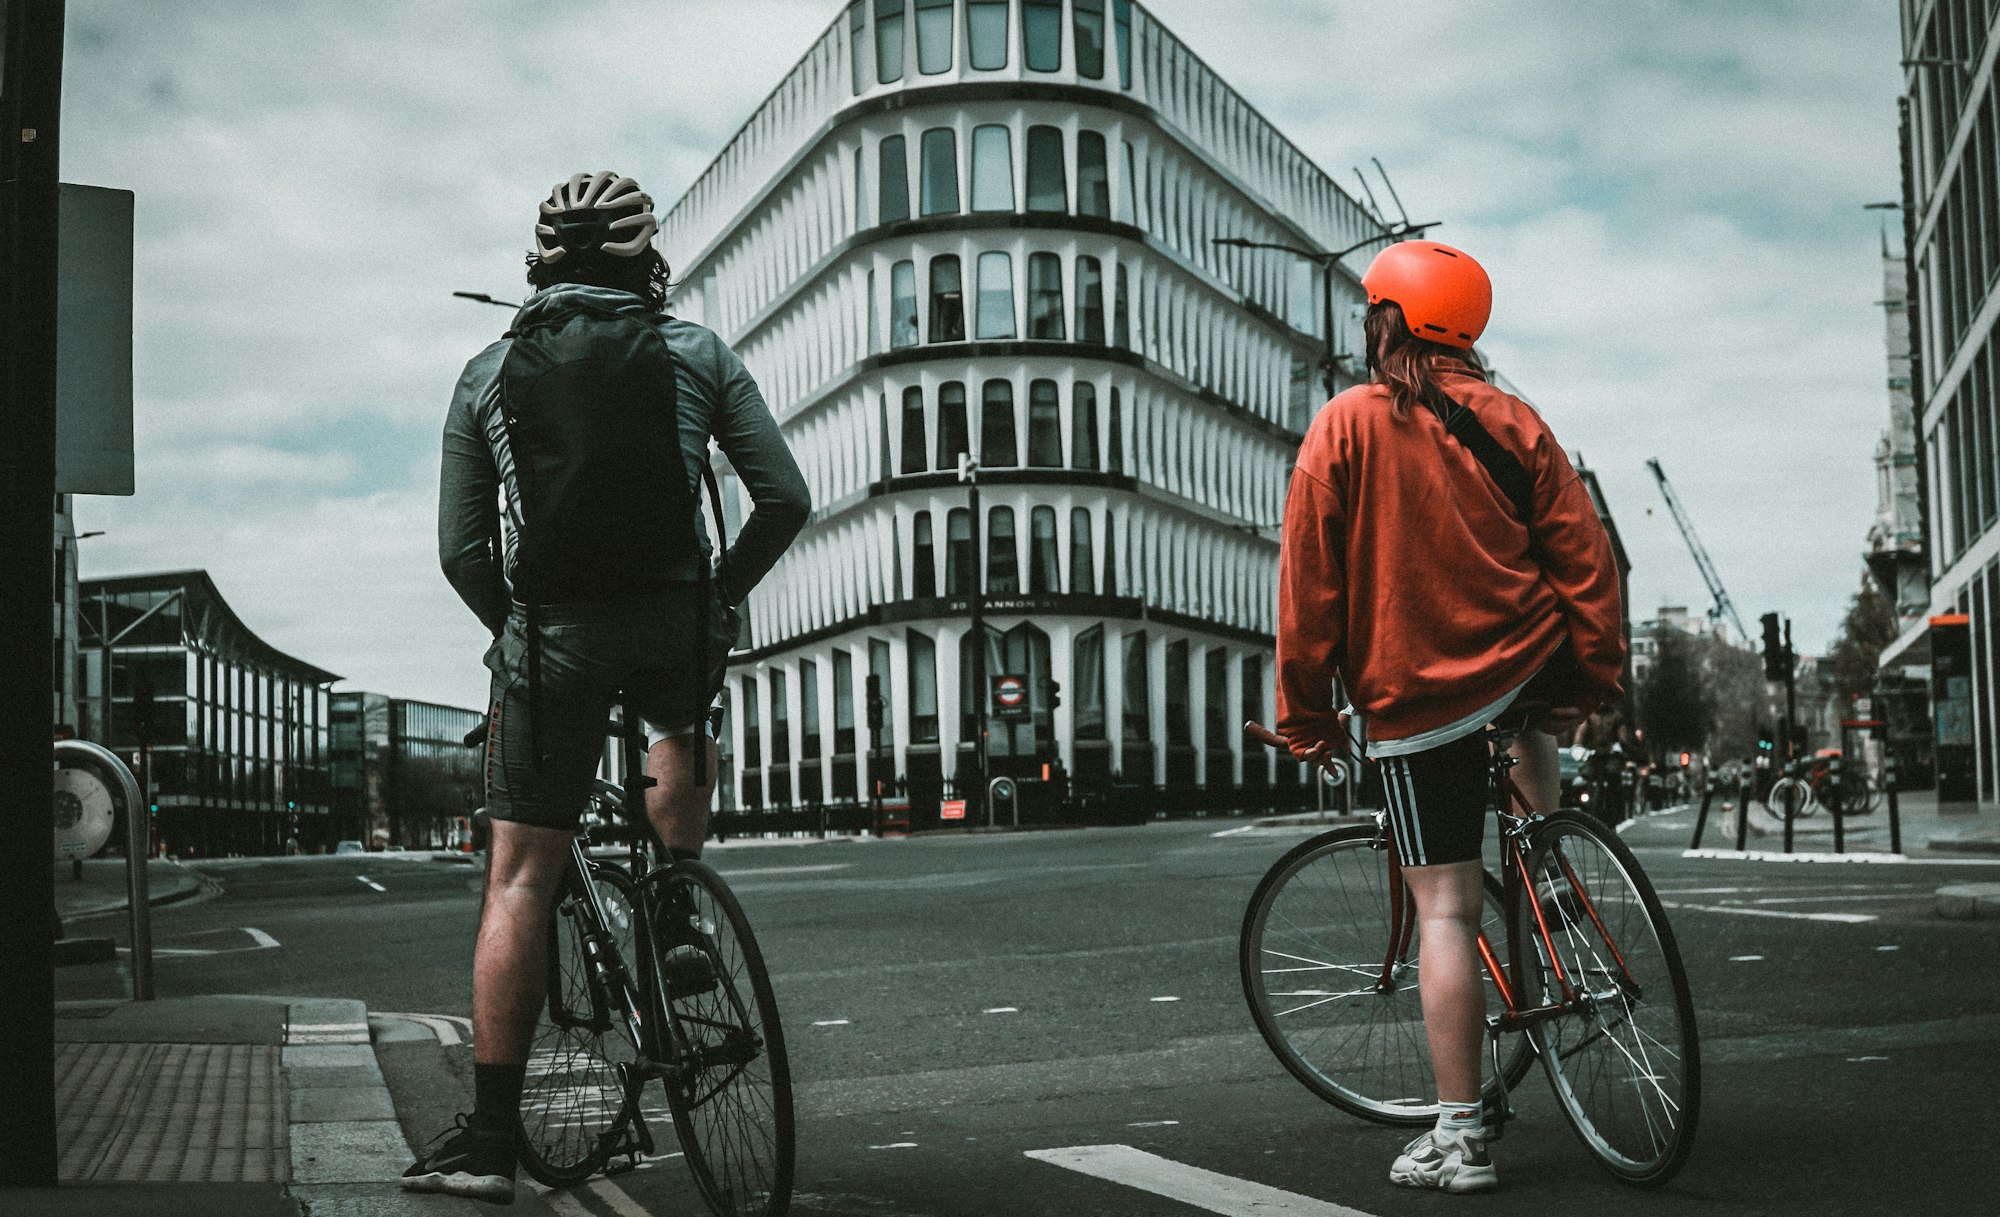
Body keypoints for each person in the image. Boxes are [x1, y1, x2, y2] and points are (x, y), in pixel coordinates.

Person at [404, 172, 809, 1205]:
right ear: (646, 260)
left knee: (519, 875)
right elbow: (783, 497)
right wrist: (719, 595)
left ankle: (493, 1144)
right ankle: (675, 906)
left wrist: (520, 636)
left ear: (538, 264)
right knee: (675, 716)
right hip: (675, 614)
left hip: (557, 639)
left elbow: (459, 549)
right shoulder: (694, 352)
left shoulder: (488, 373)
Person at [1274, 240, 1623, 1194]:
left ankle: (1461, 1134)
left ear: (1385, 319)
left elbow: (1307, 588)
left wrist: (1306, 711)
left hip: (1420, 695)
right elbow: (1584, 558)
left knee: (1447, 907)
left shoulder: (1343, 427)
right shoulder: (1516, 420)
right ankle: (1549, 869)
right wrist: (1596, 673)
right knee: (1527, 716)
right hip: (1526, 662)